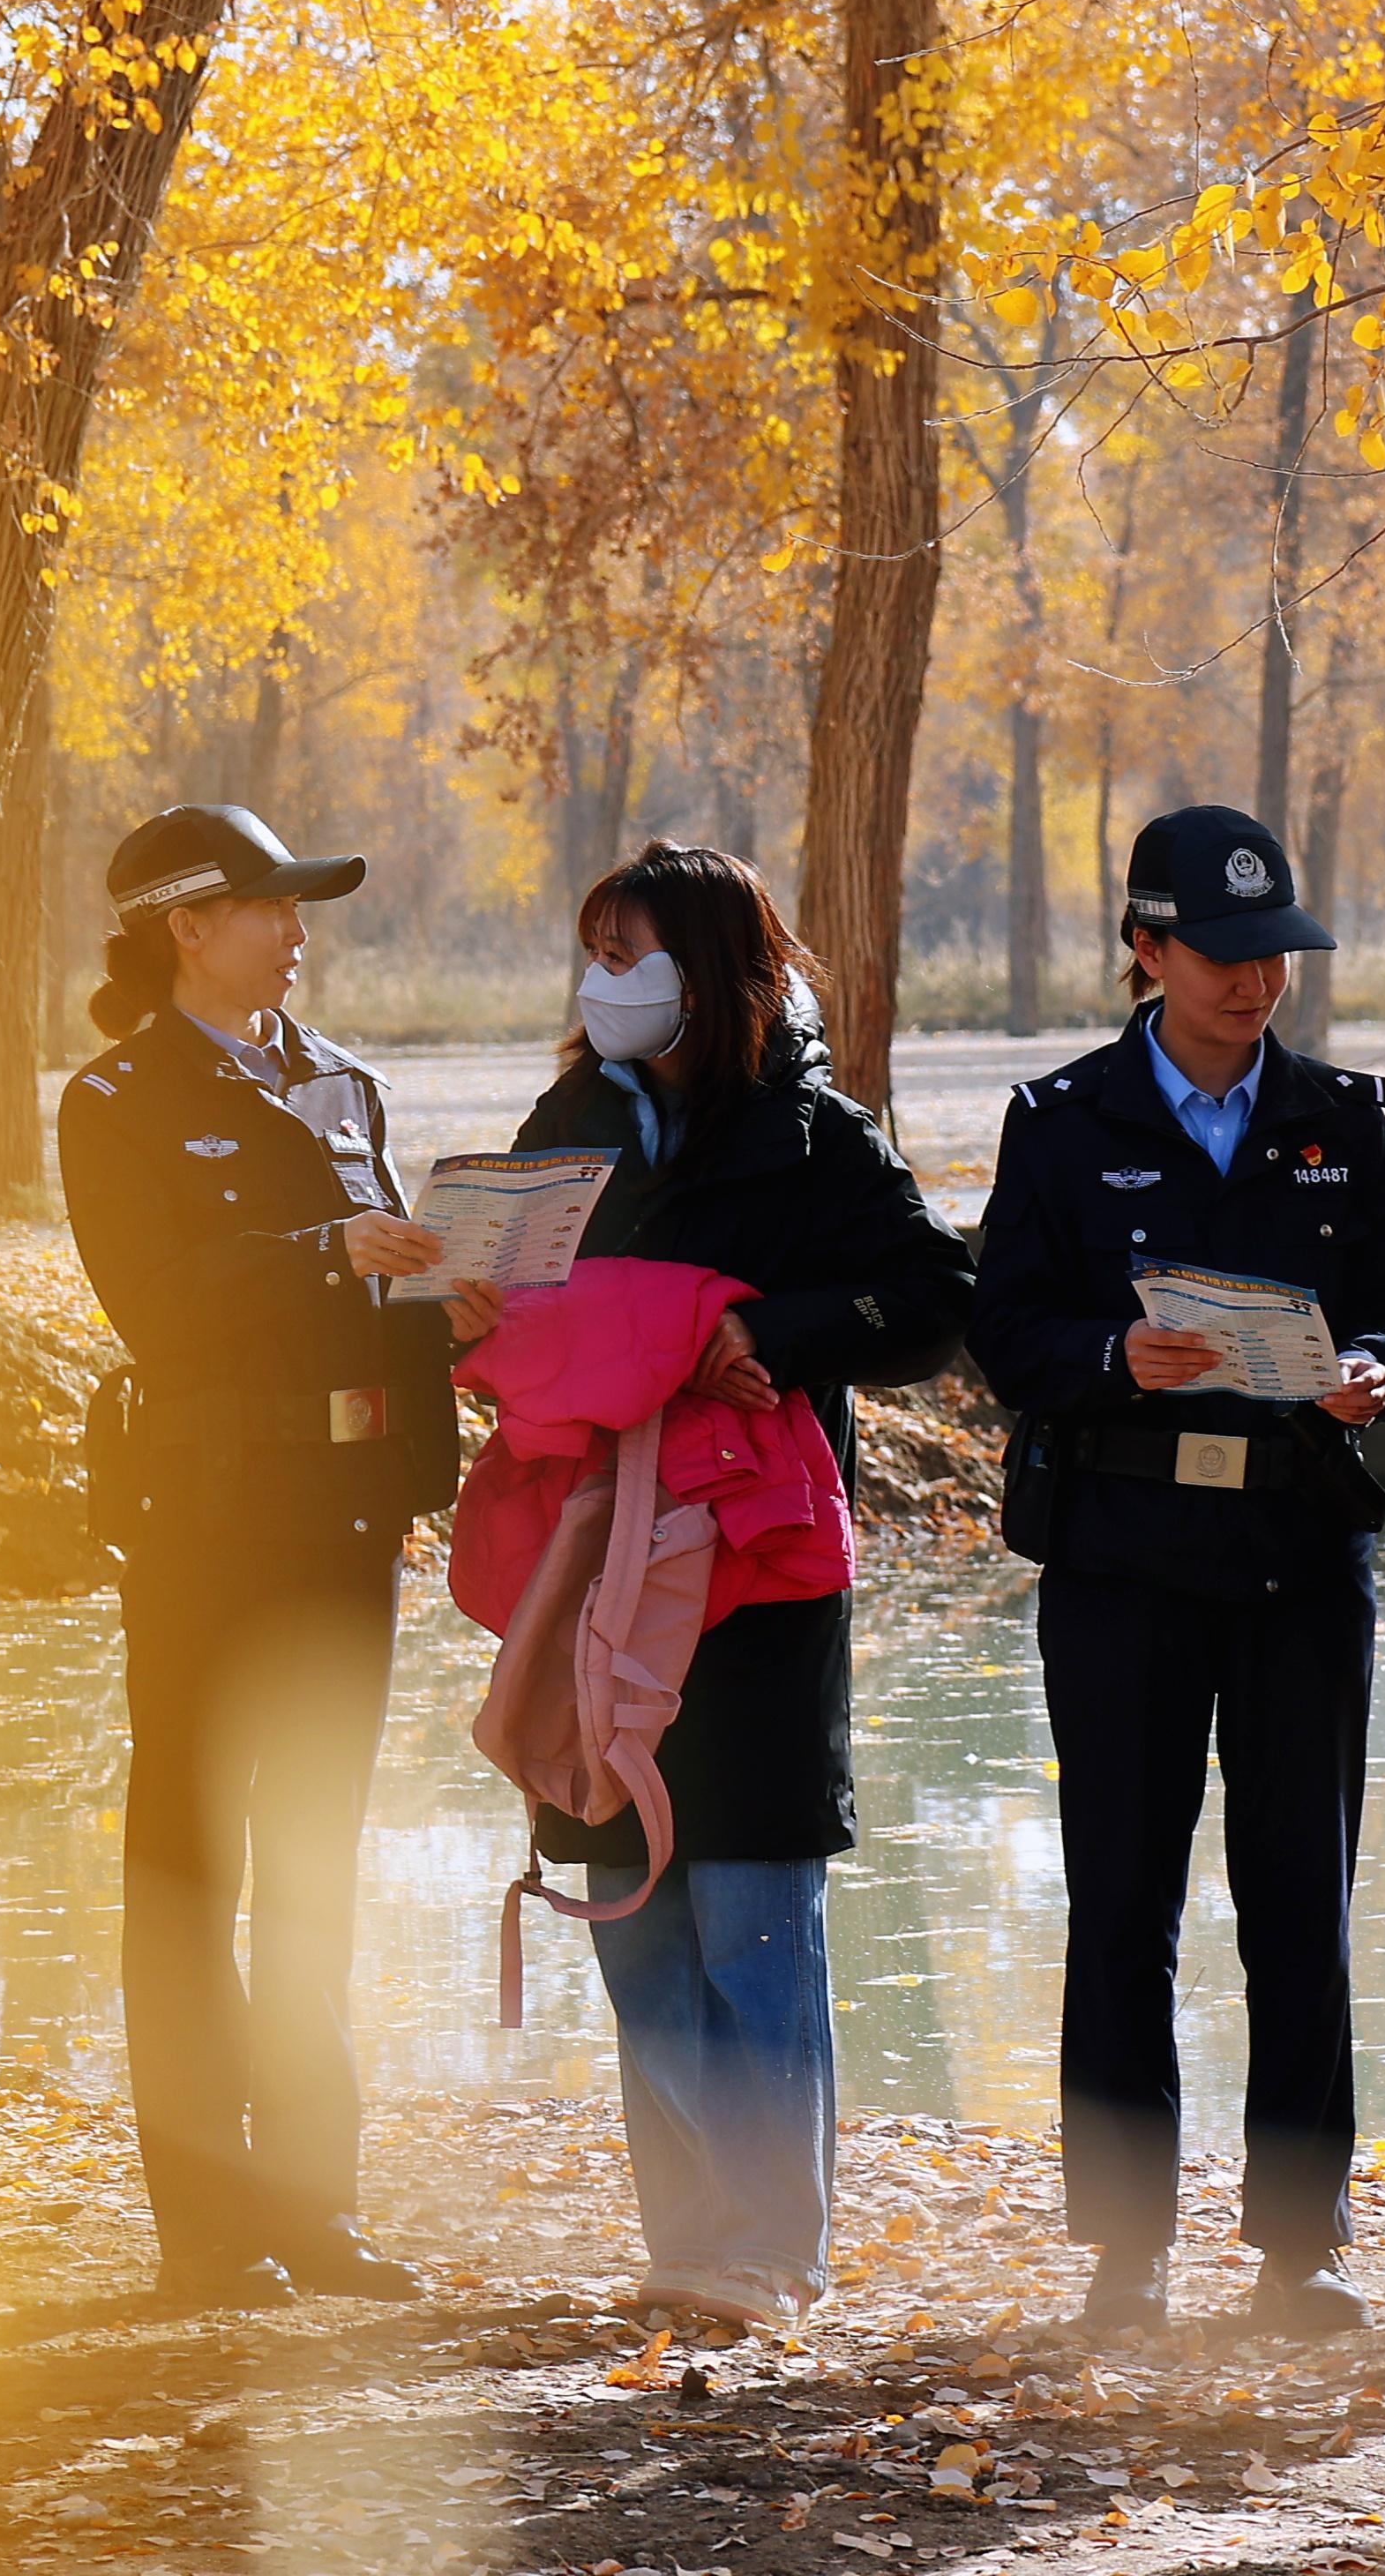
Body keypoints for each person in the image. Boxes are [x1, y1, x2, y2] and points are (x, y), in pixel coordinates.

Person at [966, 803, 1385, 2335]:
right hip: (1125, 1561)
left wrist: (1376, 1370)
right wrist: (1113, 1356)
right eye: (1225, 954)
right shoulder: (1062, 1122)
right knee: (1122, 1903)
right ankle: (1127, 2248)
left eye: (1275, 954)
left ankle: (1303, 2246)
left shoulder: (1342, 1119)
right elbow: (1004, 1332)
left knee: (1303, 1903)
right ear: (1147, 948)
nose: (1256, 982)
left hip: (1301, 1557)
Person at [498, 842, 976, 2332]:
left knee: (754, 1917)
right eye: (594, 955)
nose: (604, 984)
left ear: (706, 976)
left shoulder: (818, 1134)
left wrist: (772, 1329)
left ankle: (771, 2250)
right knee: (632, 1913)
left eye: (629, 956)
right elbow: (511, 1294)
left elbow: (934, 1301)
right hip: (596, 1567)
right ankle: (686, 2241)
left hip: (758, 1577)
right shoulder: (570, 1123)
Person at [58, 803, 487, 2306]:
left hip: (343, 1515)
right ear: (186, 925)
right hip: (204, 1517)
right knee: (191, 1867)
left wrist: (456, 1300)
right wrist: (322, 1254)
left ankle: (315, 2209)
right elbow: (156, 1304)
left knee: (315, 1859)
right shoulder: (116, 1099)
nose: (299, 932)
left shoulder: (343, 1084)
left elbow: (381, 1289)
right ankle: (207, 2232)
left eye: (302, 908)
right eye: (272, 906)